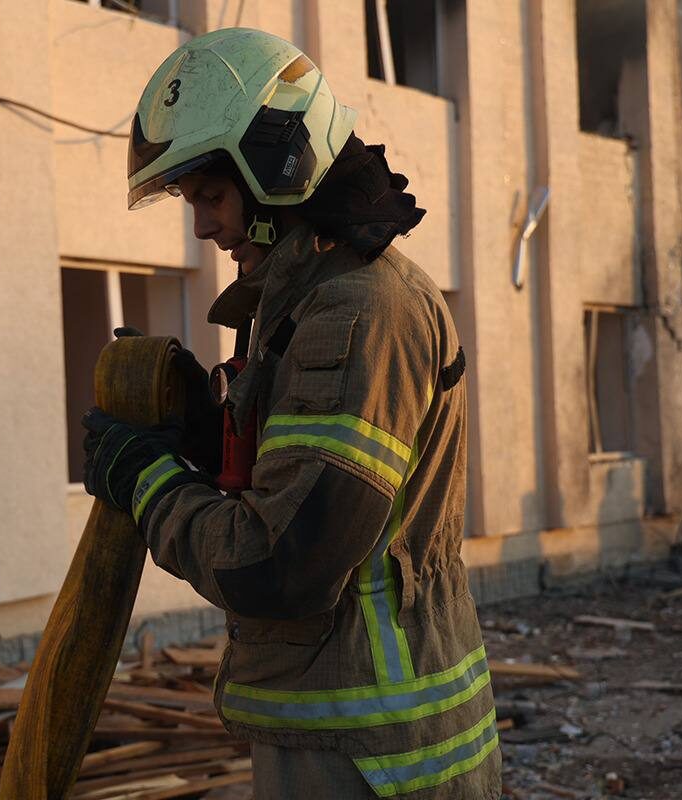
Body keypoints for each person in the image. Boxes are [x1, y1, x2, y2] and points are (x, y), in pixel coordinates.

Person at [82, 28, 500, 799]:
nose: (202, 226)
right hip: (363, 735)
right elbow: (305, 489)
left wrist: (148, 482)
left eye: (211, 196)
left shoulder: (356, 313)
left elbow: (281, 565)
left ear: (280, 168)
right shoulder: (317, 298)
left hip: (367, 754)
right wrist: (206, 437)